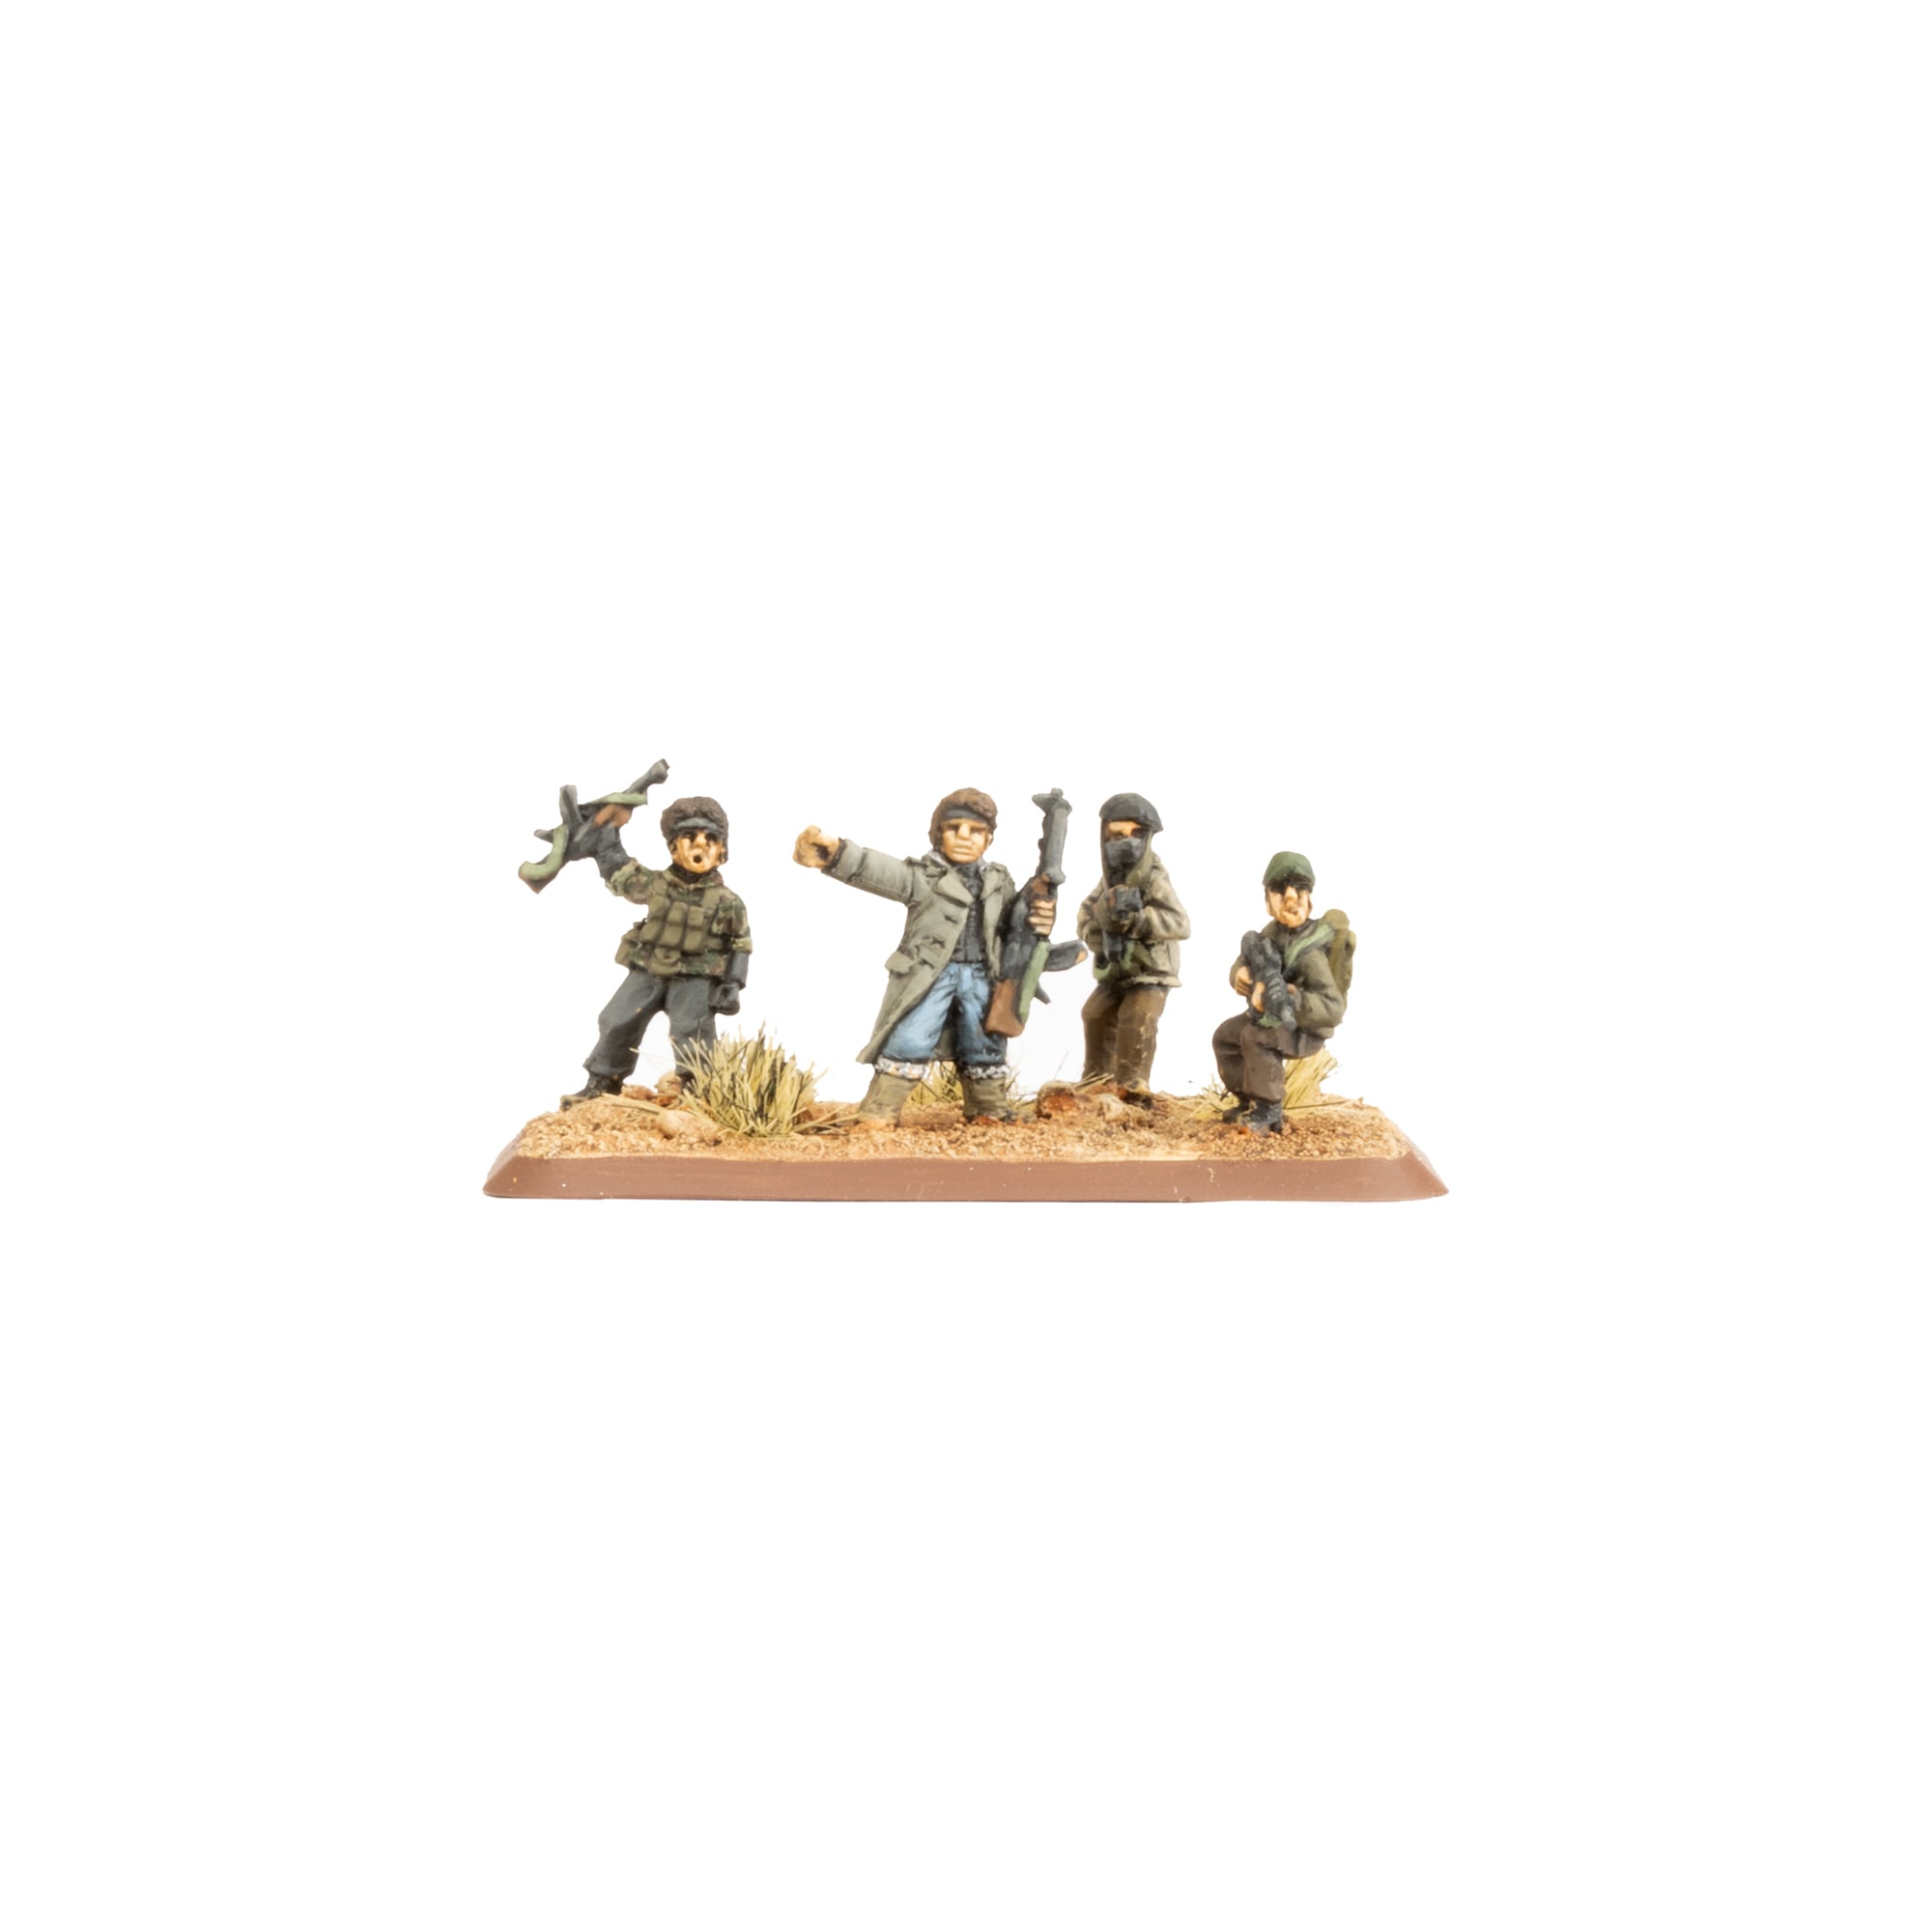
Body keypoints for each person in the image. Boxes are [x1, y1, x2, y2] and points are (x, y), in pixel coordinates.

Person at [793, 788, 1057, 1126]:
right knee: (910, 1037)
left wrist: (1039, 917)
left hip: (981, 974)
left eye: (976, 831)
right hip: (930, 974)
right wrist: (836, 854)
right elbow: (883, 871)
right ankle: (878, 1113)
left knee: (984, 1041)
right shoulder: (924, 876)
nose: (964, 837)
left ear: (989, 839)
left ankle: (988, 1109)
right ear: (938, 834)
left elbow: (1014, 921)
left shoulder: (998, 879)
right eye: (954, 828)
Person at [564, 795, 752, 1107]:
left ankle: (700, 1094)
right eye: (689, 836)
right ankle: (602, 1083)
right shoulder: (655, 884)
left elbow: (740, 944)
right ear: (673, 847)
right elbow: (620, 873)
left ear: (722, 851)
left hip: (694, 978)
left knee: (693, 1033)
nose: (700, 845)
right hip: (649, 969)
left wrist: (732, 985)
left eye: (711, 839)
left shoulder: (728, 902)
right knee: (617, 1019)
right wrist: (605, 835)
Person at [1210, 850, 1347, 1135]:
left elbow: (1333, 1008)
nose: (1290, 897)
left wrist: (1292, 998)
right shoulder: (1273, 932)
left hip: (1302, 1027)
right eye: (1280, 890)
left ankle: (1268, 1109)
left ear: (1310, 898)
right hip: (1268, 1016)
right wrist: (1239, 974)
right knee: (1226, 1037)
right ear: (1267, 900)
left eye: (1299, 889)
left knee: (1256, 1037)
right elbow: (1249, 956)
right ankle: (1247, 1099)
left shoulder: (1311, 952)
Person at [1073, 791, 1189, 1102]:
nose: (1126, 843)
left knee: (1137, 1016)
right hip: (1115, 972)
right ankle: (1097, 1081)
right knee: (1094, 1014)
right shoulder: (1109, 880)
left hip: (1151, 972)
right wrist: (1099, 926)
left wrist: (1138, 921)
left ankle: (1132, 1086)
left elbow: (1179, 923)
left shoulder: (1153, 877)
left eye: (1136, 835)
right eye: (1117, 835)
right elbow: (1085, 914)